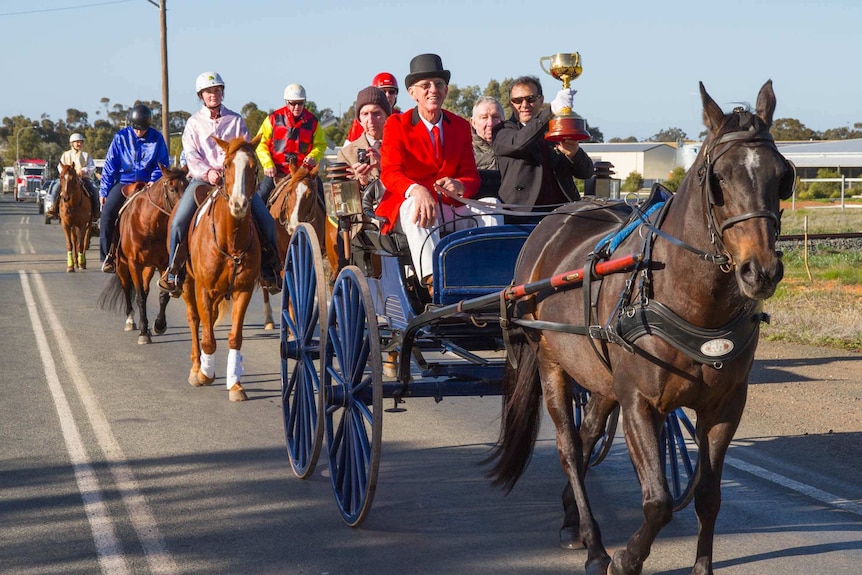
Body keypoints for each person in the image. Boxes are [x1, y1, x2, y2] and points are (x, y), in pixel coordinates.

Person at [377, 53, 501, 289]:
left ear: (446, 90)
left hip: (449, 206)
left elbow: (471, 176)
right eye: (425, 85)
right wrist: (416, 190)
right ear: (413, 93)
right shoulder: (396, 125)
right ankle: (434, 282)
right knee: (417, 205)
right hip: (411, 210)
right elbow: (390, 172)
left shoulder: (461, 126)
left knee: (492, 204)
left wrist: (461, 185)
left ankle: (489, 276)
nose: (433, 90)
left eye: (439, 84)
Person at [159, 72, 283, 296]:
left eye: (217, 90)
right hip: (202, 182)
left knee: (266, 221)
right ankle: (174, 272)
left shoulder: (235, 120)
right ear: (201, 96)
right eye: (208, 91)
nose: (213, 95)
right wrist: (208, 173)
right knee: (178, 221)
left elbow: (246, 150)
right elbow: (192, 155)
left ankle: (270, 271)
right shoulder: (193, 123)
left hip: (235, 182)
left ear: (222, 92)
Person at [492, 75, 594, 211]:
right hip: (523, 213)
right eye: (517, 100)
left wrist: (574, 154)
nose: (524, 105)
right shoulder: (502, 131)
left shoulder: (556, 129)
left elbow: (586, 173)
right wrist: (550, 110)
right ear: (511, 104)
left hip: (563, 211)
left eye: (531, 99)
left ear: (541, 100)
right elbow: (519, 144)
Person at [99, 104, 170, 273]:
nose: (139, 132)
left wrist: (154, 179)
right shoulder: (120, 137)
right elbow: (110, 165)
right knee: (107, 215)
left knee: (172, 212)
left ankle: (173, 261)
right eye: (136, 129)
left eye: (143, 129)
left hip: (149, 184)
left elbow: (162, 163)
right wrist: (104, 191)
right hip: (125, 182)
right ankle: (108, 257)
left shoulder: (157, 139)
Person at [254, 83, 328, 207]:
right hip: (277, 172)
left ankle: (331, 225)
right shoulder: (272, 119)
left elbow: (320, 144)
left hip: (303, 172)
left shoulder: (313, 121)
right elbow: (260, 143)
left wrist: (313, 157)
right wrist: (268, 164)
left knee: (324, 202)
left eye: (300, 103)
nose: (297, 107)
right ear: (286, 102)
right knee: (260, 199)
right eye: (293, 103)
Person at [47, 133, 99, 220]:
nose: (79, 144)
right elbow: (60, 166)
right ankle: (53, 207)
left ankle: (96, 210)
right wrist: (65, 174)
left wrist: (84, 170)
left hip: (83, 178)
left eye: (80, 142)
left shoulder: (86, 155)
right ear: (72, 143)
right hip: (67, 179)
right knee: (55, 187)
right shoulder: (66, 154)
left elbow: (92, 166)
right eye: (77, 142)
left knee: (94, 188)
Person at [344, 72, 400, 143]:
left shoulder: (402, 118)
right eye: (383, 91)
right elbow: (349, 148)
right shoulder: (360, 122)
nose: (387, 95)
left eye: (391, 91)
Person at [470, 96, 504, 170]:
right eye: (484, 117)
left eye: (495, 117)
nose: (490, 123)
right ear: (473, 123)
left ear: (504, 120)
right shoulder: (465, 151)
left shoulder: (514, 147)